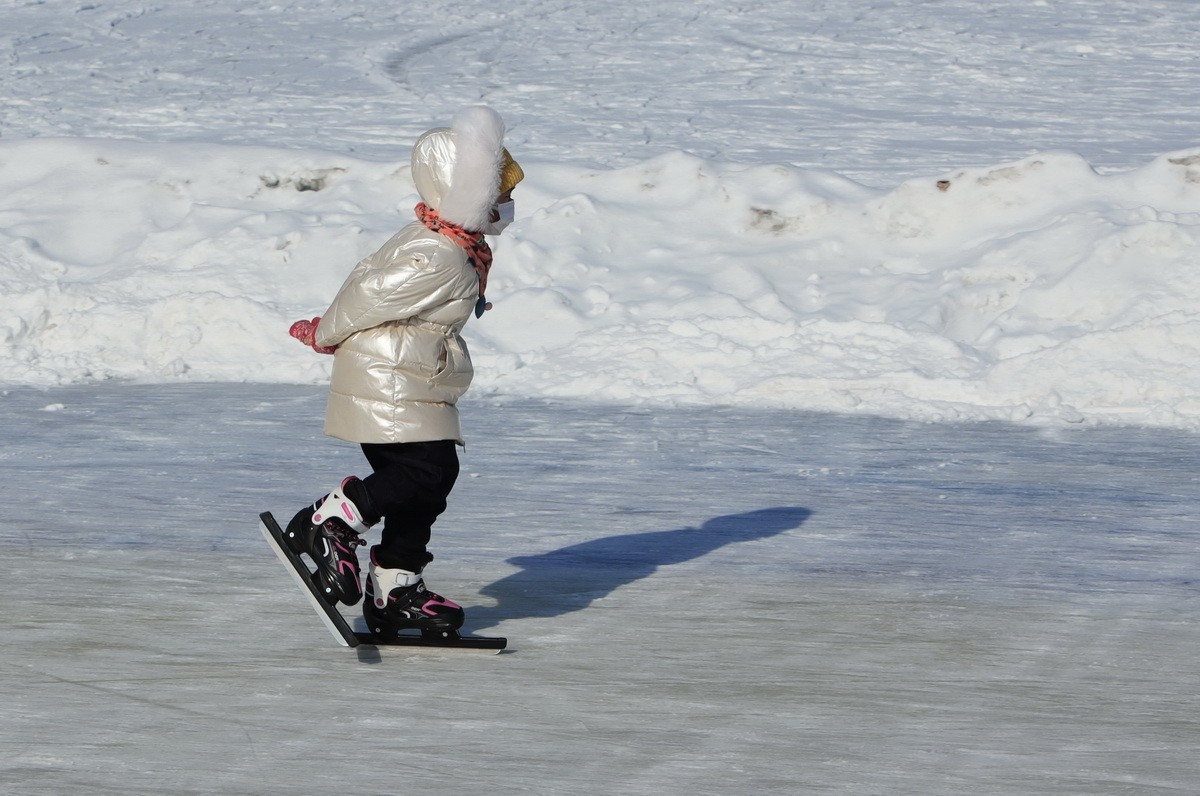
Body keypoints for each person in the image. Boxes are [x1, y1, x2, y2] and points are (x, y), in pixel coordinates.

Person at [284, 105, 523, 638]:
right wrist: (324, 333)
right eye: (499, 189)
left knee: (433, 478)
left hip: (413, 378)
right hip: (390, 378)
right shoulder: (438, 253)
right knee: (421, 473)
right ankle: (333, 521)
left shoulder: (452, 245)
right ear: (465, 190)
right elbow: (369, 292)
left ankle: (394, 585)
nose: (509, 200)